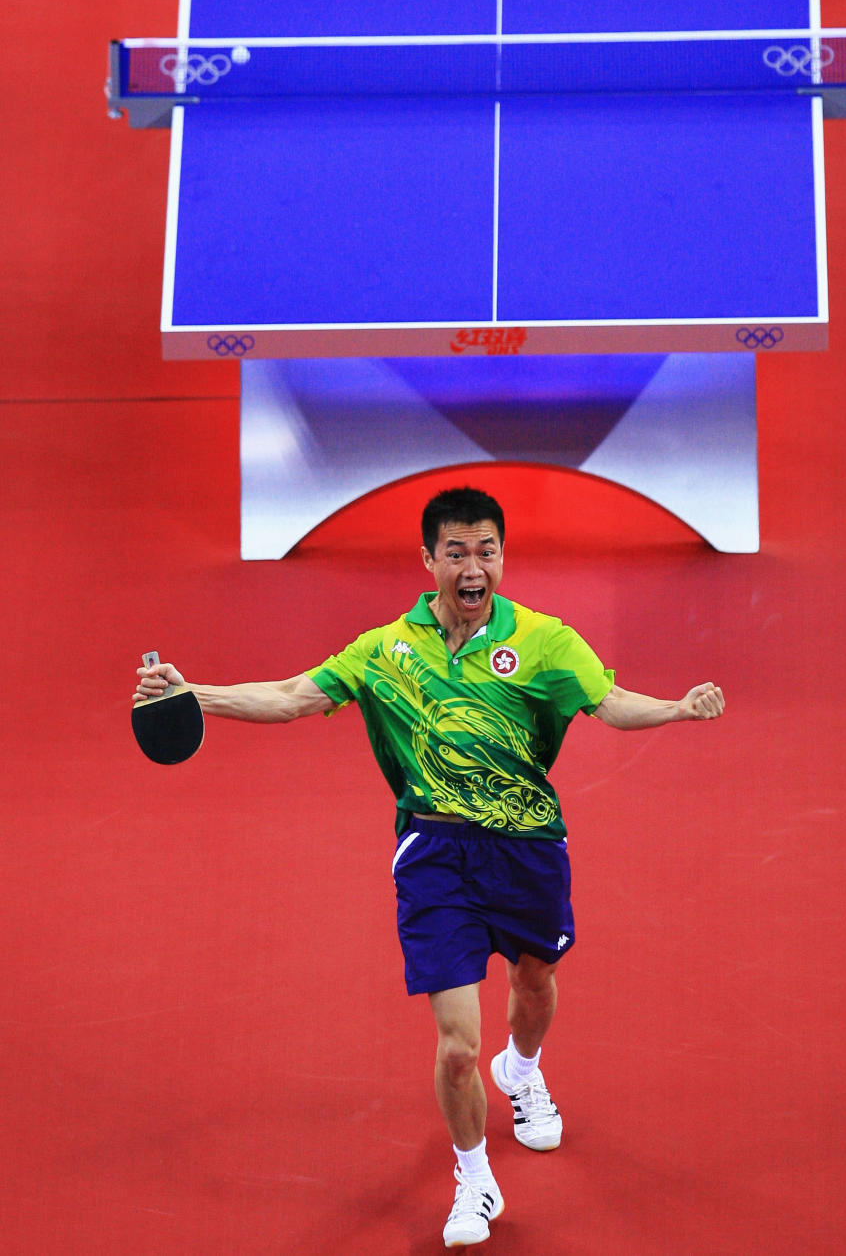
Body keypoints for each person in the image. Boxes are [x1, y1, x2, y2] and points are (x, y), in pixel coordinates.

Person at [134, 486, 724, 1248]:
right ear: (429, 559)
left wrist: (676, 708)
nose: (472, 567)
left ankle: (524, 1068)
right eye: (457, 552)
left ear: (502, 558)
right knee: (456, 1044)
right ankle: (473, 1175)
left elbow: (608, 703)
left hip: (528, 848)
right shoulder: (386, 650)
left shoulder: (545, 640)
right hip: (436, 855)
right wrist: (194, 693)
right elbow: (290, 695)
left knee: (536, 980)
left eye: (486, 551)